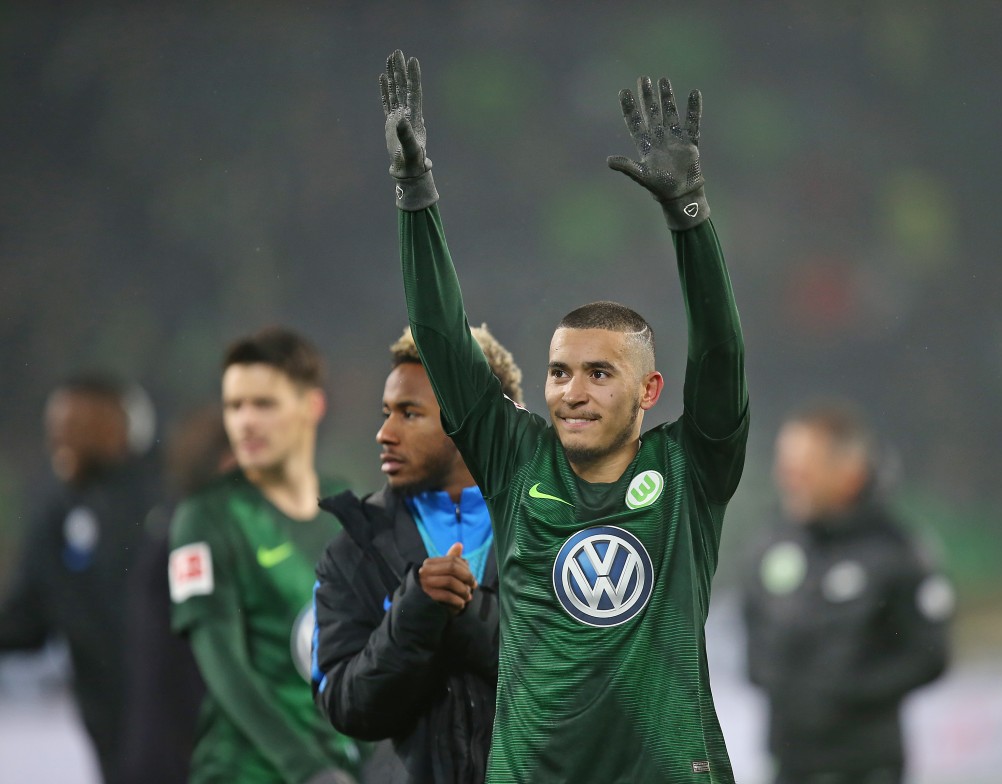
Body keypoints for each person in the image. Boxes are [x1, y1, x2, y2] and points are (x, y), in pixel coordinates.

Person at [375, 50, 749, 783]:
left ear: (648, 392)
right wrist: (414, 191)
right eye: (558, 372)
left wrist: (690, 217)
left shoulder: (690, 468)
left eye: (600, 373)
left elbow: (721, 354)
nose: (572, 391)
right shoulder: (517, 459)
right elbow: (444, 339)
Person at [312, 325, 523, 784]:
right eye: (386, 412)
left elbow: (580, 685)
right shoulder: (353, 550)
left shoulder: (555, 532)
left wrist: (464, 612)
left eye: (409, 414)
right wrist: (412, 613)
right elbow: (347, 709)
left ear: (470, 419)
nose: (384, 433)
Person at [168, 327, 364, 784]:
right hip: (247, 772)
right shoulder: (206, 518)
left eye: (264, 404)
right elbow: (222, 665)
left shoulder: (347, 507)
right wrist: (307, 769)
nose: (245, 422)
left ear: (312, 406)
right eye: (235, 406)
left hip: (340, 767)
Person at [742, 400, 953, 784]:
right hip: (787, 764)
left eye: (803, 469)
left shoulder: (896, 549)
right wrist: (779, 682)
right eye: (787, 467)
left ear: (849, 474)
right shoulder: (774, 541)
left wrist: (844, 693)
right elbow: (752, 633)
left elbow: (929, 655)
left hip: (867, 765)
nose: (788, 478)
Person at [0, 372, 160, 783]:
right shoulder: (57, 515)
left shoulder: (171, 505)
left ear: (122, 431)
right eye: (55, 430)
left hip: (182, 728)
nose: (58, 441)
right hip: (109, 731)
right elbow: (25, 620)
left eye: (76, 428)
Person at [118, 404, 235, 784]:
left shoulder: (179, 528)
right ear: (227, 463)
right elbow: (189, 665)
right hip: (188, 760)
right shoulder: (193, 541)